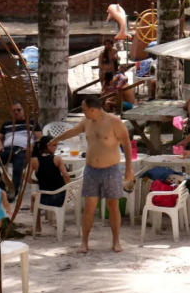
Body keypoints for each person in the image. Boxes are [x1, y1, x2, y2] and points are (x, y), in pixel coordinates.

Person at [50, 100, 133, 253]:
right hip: (91, 170)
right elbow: (73, 131)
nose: (83, 112)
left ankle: (116, 241)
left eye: (84, 109)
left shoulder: (114, 122)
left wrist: (129, 169)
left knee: (113, 206)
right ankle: (84, 242)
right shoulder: (87, 121)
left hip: (111, 169)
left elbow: (127, 144)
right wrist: (56, 139)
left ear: (93, 109)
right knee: (89, 207)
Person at [12, 137, 68, 229]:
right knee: (36, 195)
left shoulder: (34, 161)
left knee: (34, 196)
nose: (56, 147)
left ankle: (37, 226)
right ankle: (58, 223)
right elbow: (66, 176)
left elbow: (26, 178)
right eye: (54, 145)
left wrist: (37, 182)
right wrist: (69, 189)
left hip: (46, 197)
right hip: (62, 196)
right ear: (47, 146)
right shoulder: (58, 159)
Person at [0, 101, 38, 191]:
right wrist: (0, 146)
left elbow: (39, 138)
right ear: (10, 112)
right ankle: (1, 187)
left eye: (18, 110)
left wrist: (31, 146)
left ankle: (13, 191)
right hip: (7, 150)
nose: (16, 112)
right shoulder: (6, 124)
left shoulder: (32, 123)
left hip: (22, 150)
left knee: (17, 168)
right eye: (13, 111)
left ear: (23, 110)